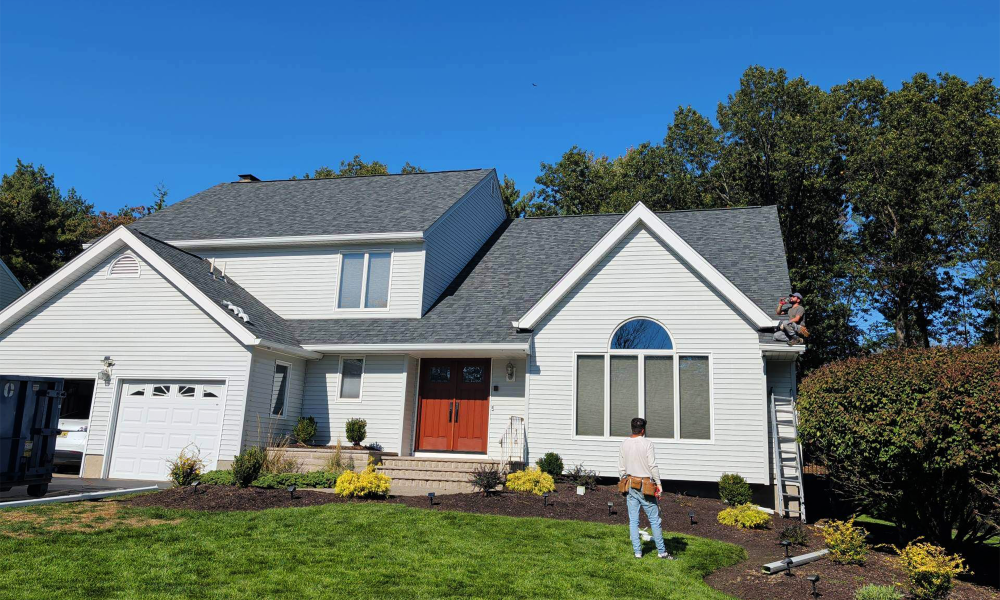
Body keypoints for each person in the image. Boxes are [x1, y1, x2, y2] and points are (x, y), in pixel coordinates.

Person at [618, 417, 673, 559]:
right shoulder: (647, 444)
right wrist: (659, 484)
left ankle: (637, 552)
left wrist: (623, 483)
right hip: (646, 485)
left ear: (632, 428)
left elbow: (621, 468)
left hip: (630, 484)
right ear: (643, 430)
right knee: (654, 519)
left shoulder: (624, 444)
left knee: (634, 520)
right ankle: (662, 552)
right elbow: (652, 465)